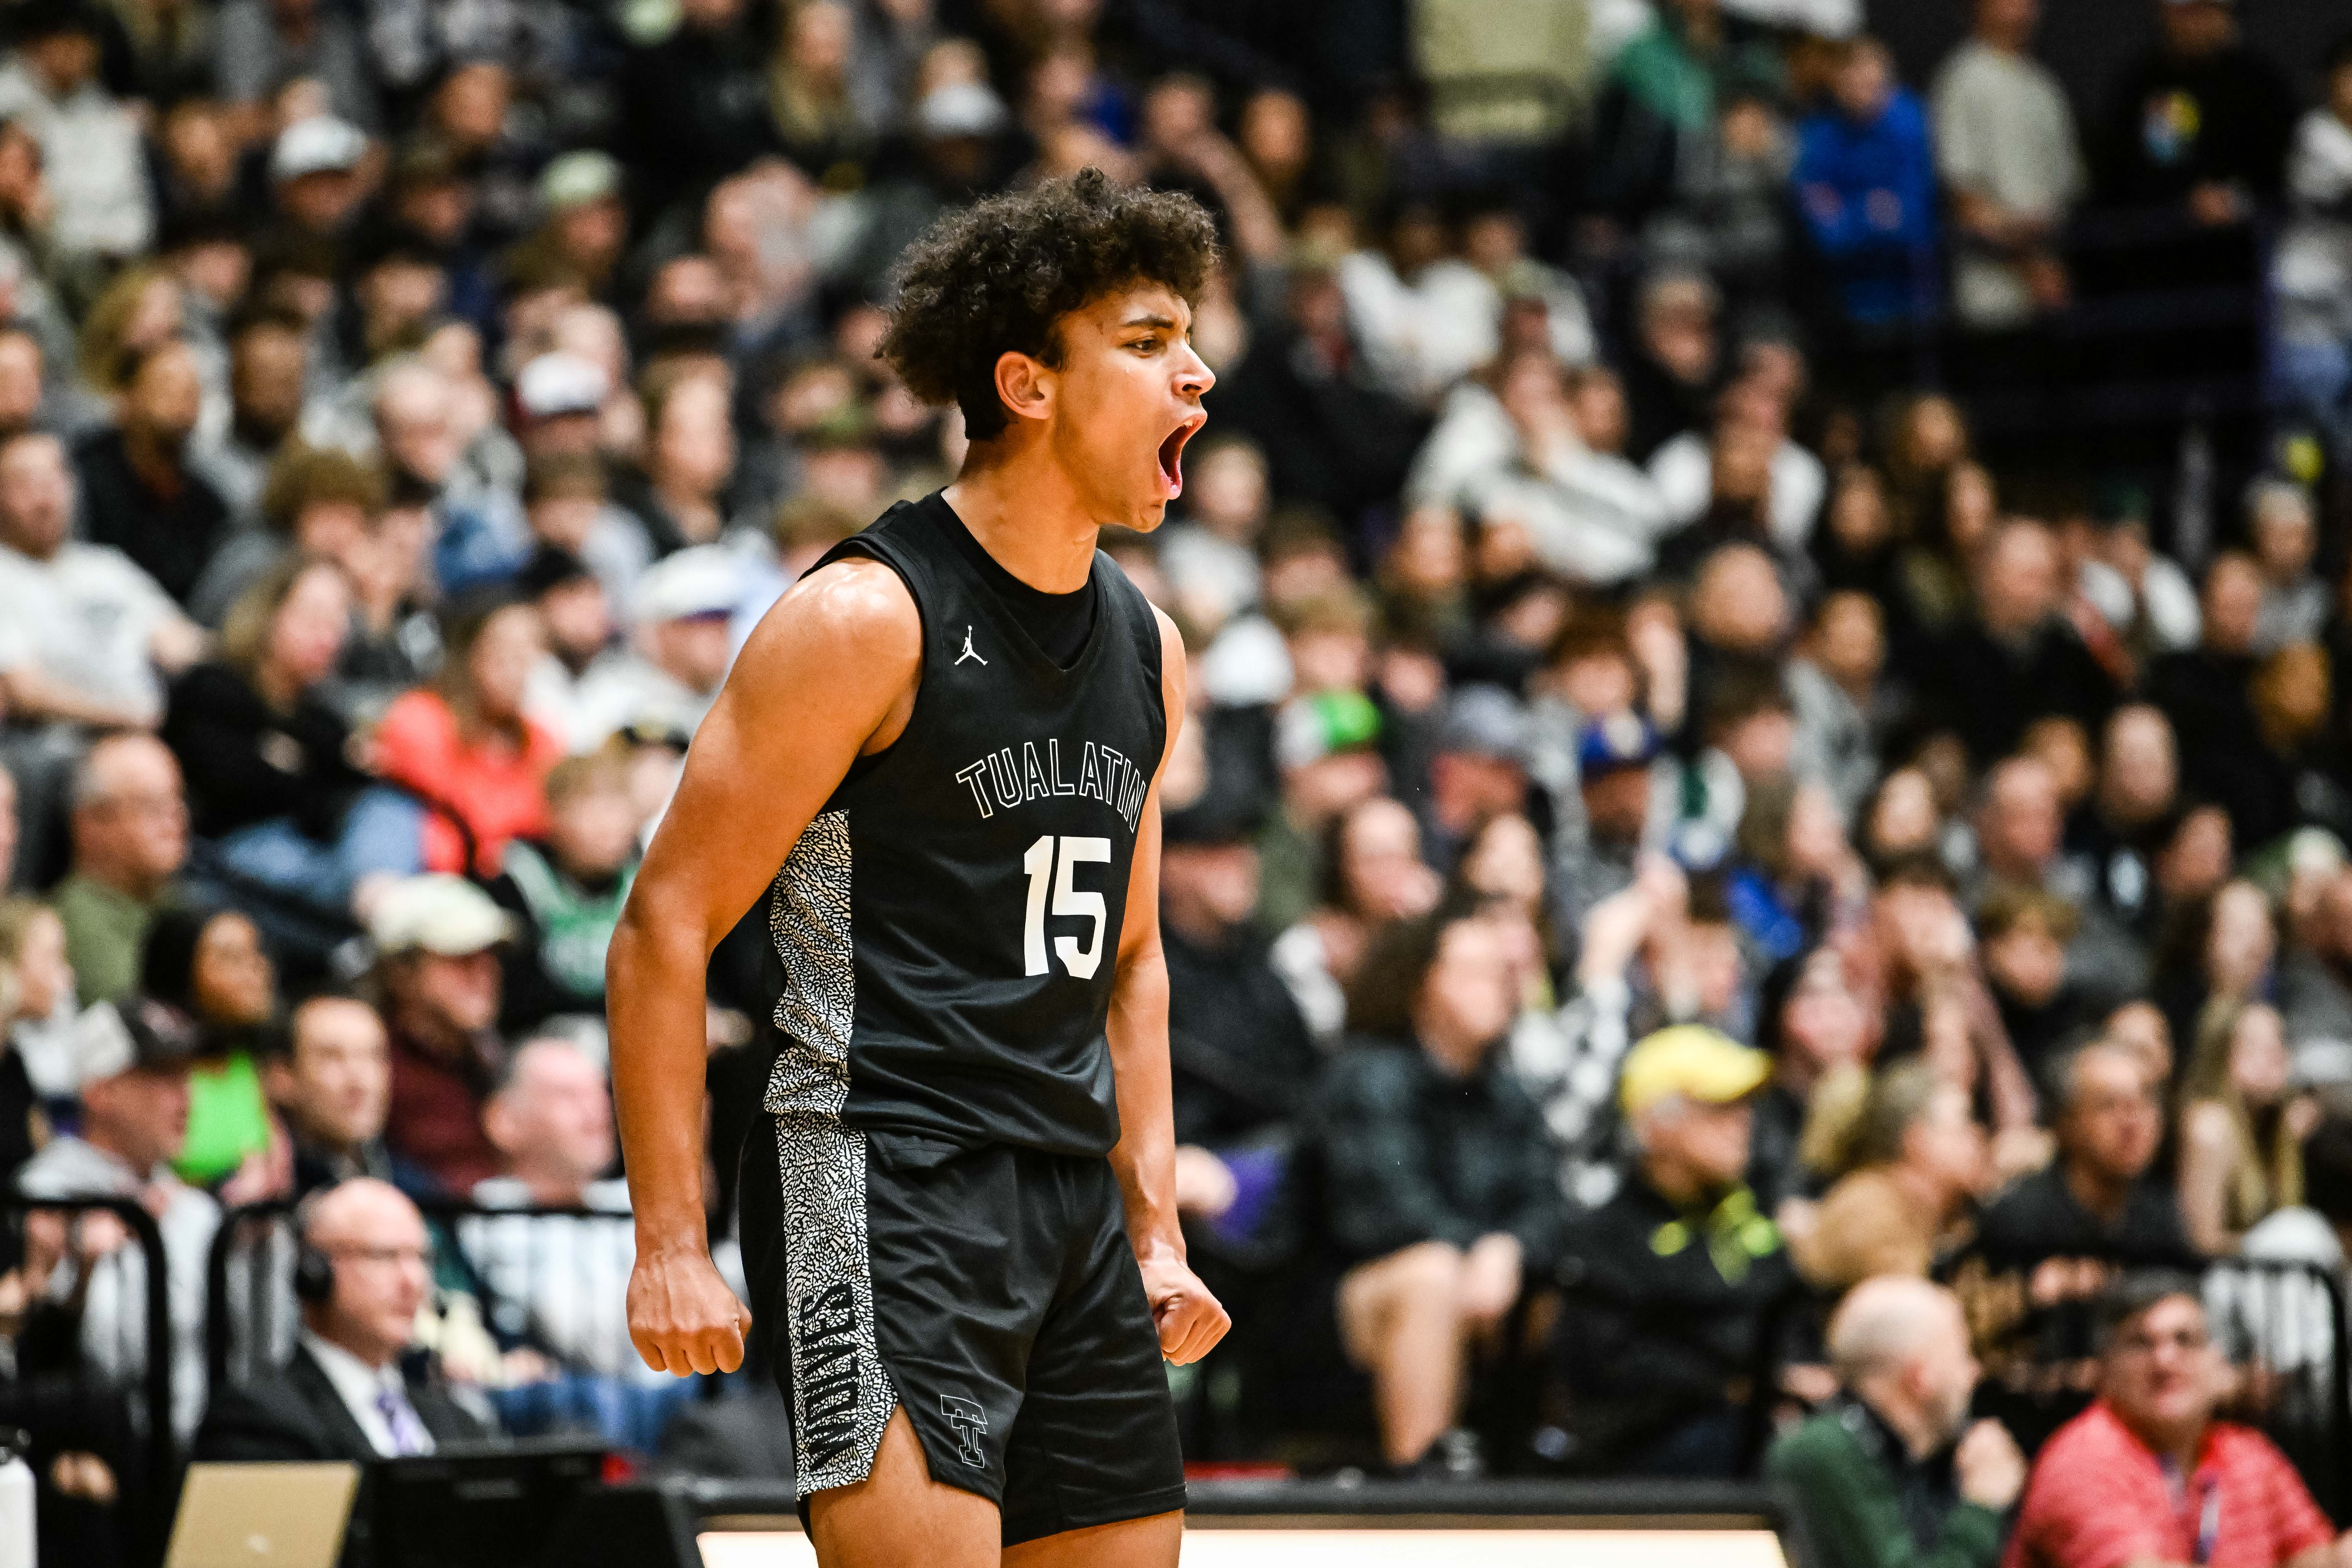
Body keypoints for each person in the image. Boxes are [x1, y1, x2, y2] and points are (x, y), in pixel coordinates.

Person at [609, 171, 1226, 1567]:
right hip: (876, 1170)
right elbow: (665, 924)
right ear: (1026, 383)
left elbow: (1128, 957)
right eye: (1142, 342)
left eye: (1187, 336)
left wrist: (1156, 1223)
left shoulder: (1149, 648)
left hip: (1067, 1194)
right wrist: (669, 1238)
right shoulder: (862, 616)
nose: (1193, 371)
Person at [1314, 909, 1564, 1472]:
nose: (1498, 987)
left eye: (1502, 972)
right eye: (1475, 971)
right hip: (1346, 1301)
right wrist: (1478, 1250)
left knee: (1560, 1283)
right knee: (1432, 1274)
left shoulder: (1508, 1091)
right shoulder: (1368, 1075)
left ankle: (1556, 1475)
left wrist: (1509, 1249)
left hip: (1483, 1290)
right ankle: (1422, 1488)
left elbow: (1549, 1201)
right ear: (1422, 983)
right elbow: (1385, 1212)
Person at [1553, 1024, 1798, 1477]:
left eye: (1744, 1105)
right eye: (1719, 1107)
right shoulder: (1604, 1237)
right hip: (1651, 1461)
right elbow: (1612, 1372)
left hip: (1756, 1431)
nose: (1742, 1122)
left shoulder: (1750, 1220)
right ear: (1655, 1121)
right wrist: (1735, 1385)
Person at [2003, 1272, 2348, 1568]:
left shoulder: (2249, 1454)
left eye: (2185, 1340)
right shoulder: (2080, 1459)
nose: (2165, 1361)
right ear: (2102, 1370)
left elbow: (2316, 1558)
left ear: (2219, 1364)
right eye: (2140, 1343)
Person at [16, 994, 219, 1439]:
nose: (185, 1097)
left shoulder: (197, 1208)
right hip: (93, 1452)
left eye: (187, 1075)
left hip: (200, 1446)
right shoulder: (40, 1198)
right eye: (161, 1076)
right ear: (100, 1089)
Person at [193, 1178, 490, 1461]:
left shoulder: (457, 1421)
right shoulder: (257, 1419)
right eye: (385, 1256)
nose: (413, 1280)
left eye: (422, 1258)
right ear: (315, 1272)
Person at [1768, 1276, 2026, 1568]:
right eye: (1963, 1355)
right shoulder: (1822, 1452)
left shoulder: (1911, 1457)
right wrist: (1982, 1504)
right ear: (1921, 1375)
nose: (1973, 1373)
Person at [372, 589, 563, 877]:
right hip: (429, 880)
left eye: (531, 650)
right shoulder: (420, 719)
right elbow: (447, 826)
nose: (518, 666)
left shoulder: (542, 741)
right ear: (470, 651)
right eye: (505, 648)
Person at [1977, 1039, 2196, 1271]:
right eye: (2109, 1105)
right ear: (2065, 1123)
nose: (2132, 1122)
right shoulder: (2017, 1222)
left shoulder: (2161, 1216)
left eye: (2144, 1103)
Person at [1931, 0, 2084, 330]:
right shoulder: (1962, 78)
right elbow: (1965, 199)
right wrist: (2030, 267)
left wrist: (2050, 267)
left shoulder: (2045, 86)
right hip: (1991, 304)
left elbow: (2066, 194)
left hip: (2054, 298)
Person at [370, 874, 513, 1194]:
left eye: (490, 955)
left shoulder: (493, 1057)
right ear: (401, 973)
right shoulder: (377, 1066)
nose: (483, 973)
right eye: (461, 957)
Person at [1792, 1062, 1989, 1292]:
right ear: (1917, 1140)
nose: (1978, 1135)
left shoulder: (1956, 1212)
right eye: (1963, 1123)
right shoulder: (1866, 1211)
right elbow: (1917, 1315)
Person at [484, 750, 641, 1034]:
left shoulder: (643, 880)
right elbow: (517, 997)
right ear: (554, 816)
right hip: (541, 1035)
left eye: (618, 808)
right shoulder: (518, 880)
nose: (609, 826)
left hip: (626, 1028)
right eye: (593, 809)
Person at [49, 734, 189, 1007]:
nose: (174, 820)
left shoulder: (177, 902)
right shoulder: (73, 928)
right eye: (152, 805)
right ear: (91, 822)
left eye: (177, 802)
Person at [2177, 1000, 2314, 1257]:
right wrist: (2278, 1249)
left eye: (2279, 1042)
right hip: (2221, 1277)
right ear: (2222, 1056)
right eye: (2256, 1046)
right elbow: (2201, 1243)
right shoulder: (2211, 1126)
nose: (2275, 1056)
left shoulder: (2278, 1125)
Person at [265, 994, 397, 1195]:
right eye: (332, 1057)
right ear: (282, 1076)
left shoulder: (416, 1184)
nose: (360, 1081)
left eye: (374, 1056)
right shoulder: (254, 1192)